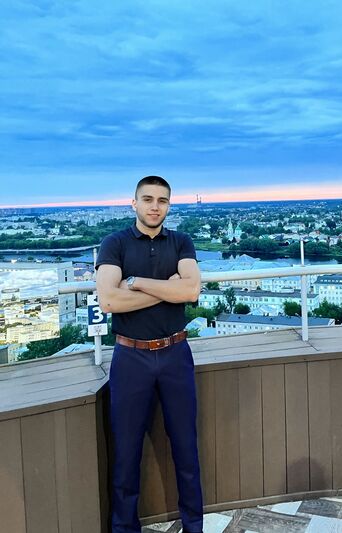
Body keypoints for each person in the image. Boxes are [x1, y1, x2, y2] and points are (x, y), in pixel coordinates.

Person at [96, 176, 204, 533]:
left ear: (169, 205)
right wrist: (167, 289)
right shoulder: (115, 243)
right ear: (134, 203)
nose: (155, 206)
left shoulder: (181, 241)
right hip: (131, 358)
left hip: (176, 354)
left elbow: (191, 291)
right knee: (126, 454)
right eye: (148, 199)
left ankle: (194, 527)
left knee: (186, 449)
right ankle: (124, 528)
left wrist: (137, 282)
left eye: (162, 200)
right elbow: (109, 300)